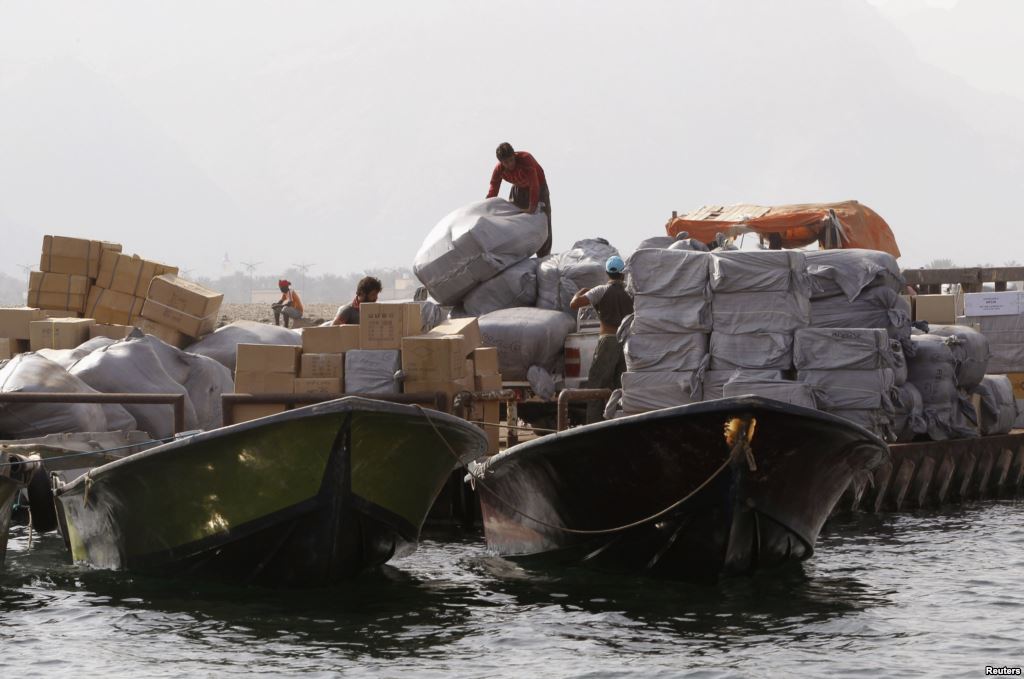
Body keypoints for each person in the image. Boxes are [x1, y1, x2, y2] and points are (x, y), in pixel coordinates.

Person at [569, 255, 634, 423]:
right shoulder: (630, 292)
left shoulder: (600, 290)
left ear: (607, 273)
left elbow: (574, 304)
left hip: (608, 342)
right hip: (627, 344)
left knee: (596, 386)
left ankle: (592, 425)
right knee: (620, 388)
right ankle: (618, 423)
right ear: (623, 274)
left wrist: (580, 292)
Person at [486, 142, 552, 257]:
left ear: (514, 156)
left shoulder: (525, 159)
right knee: (513, 216)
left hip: (538, 187)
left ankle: (543, 256)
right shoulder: (499, 169)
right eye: (506, 162)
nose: (510, 164)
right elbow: (493, 189)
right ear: (501, 162)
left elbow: (534, 184)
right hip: (519, 187)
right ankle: (517, 251)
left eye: (511, 160)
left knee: (543, 220)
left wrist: (532, 207)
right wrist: (486, 208)